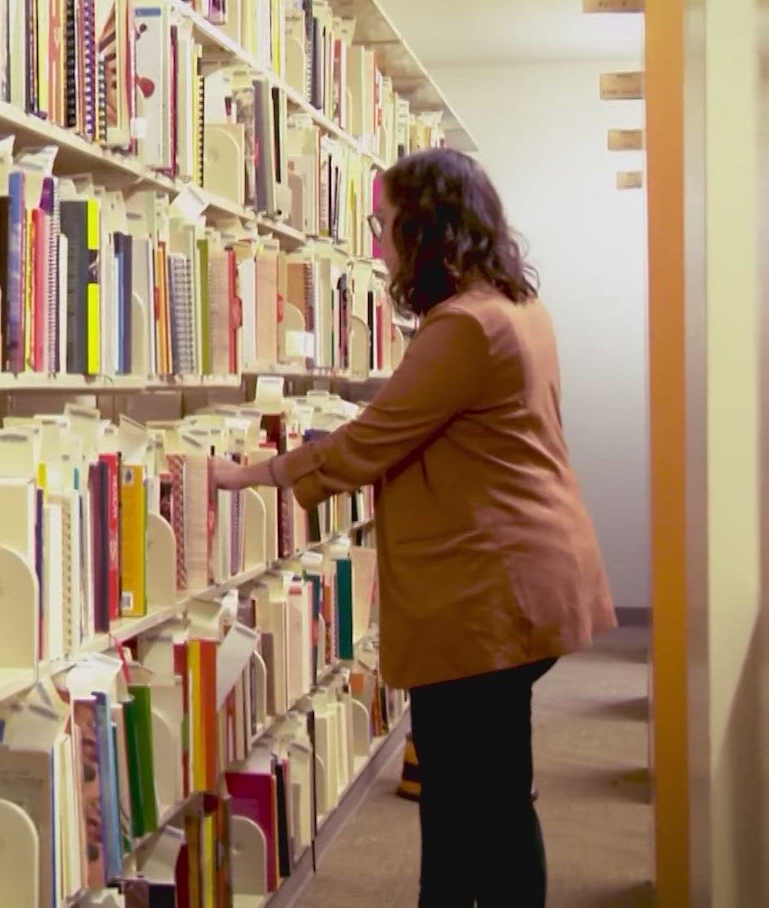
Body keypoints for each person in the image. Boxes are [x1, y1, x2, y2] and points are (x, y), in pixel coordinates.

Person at [211, 147, 615, 907]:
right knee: (485, 797)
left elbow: (371, 444)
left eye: (386, 223)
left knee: (477, 803)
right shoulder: (516, 308)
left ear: (427, 230)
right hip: (520, 578)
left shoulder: (466, 328)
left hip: (489, 594)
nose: (377, 243)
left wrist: (247, 475)